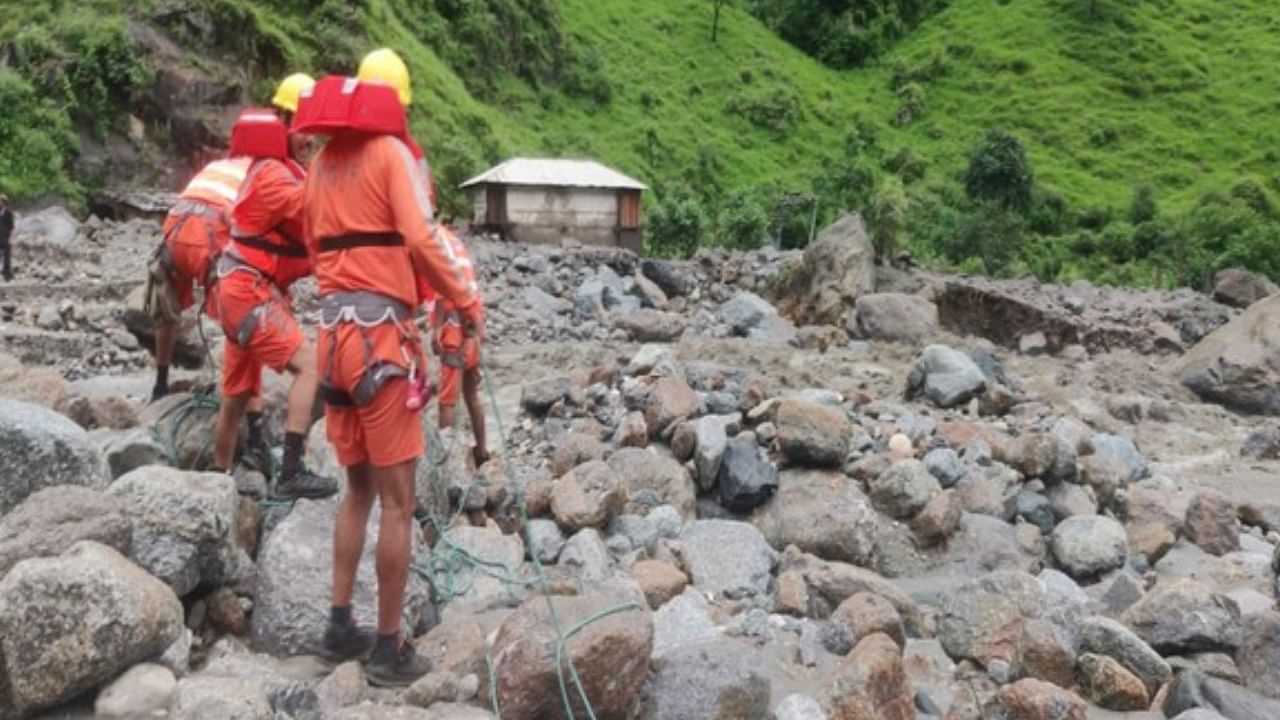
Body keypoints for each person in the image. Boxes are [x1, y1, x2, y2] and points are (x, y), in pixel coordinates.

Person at [295, 53, 483, 686]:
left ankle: (337, 625)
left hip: (332, 342)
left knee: (356, 491)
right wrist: (465, 300)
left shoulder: (319, 164)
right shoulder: (391, 156)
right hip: (381, 344)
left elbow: (314, 247)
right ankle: (388, 648)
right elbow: (424, 238)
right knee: (399, 505)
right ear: (397, 101)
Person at [208, 104, 335, 501]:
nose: (308, 139)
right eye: (300, 130)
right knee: (311, 367)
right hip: (251, 292)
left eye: (311, 132)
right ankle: (292, 471)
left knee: (236, 397)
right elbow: (321, 209)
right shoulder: (277, 178)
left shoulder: (263, 170)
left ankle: (215, 479)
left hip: (235, 290)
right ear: (279, 130)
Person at [430, 229, 488, 468]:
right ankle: (482, 451)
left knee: (447, 401)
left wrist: (436, 329)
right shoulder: (455, 243)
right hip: (473, 325)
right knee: (472, 394)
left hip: (456, 331)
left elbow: (445, 292)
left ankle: (447, 463)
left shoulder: (437, 244)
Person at [0, 195, 14, 282]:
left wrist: (8, 235)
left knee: (6, 255)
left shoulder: (8, 213)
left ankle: (7, 273)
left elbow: (11, 226)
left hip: (4, 237)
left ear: (4, 202)